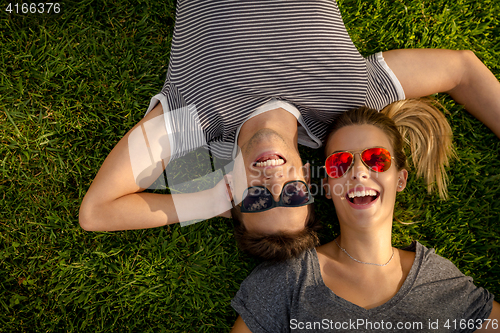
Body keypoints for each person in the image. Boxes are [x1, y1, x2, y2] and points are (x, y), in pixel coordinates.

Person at [78, 1, 500, 258]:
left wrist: (204, 202)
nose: (273, 180)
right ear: (310, 181)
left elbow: (95, 213)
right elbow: (462, 69)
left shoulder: (195, 119)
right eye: (291, 194)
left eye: (258, 198)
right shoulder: (349, 100)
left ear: (231, 190)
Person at [230, 101, 500, 332]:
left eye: (377, 158)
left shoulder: (439, 282)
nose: (358, 171)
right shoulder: (288, 278)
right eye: (340, 163)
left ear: (400, 179)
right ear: (326, 186)